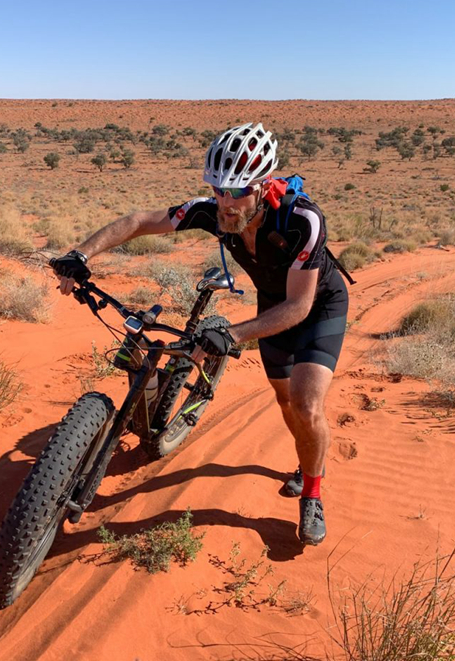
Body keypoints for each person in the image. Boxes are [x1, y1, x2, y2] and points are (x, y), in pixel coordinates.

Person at [51, 123, 349, 546]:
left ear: (263, 186)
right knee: (284, 400)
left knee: (306, 402)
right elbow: (140, 221)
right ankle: (305, 456)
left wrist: (232, 334)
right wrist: (81, 253)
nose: (226, 203)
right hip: (273, 304)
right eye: (218, 190)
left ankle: (313, 491)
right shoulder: (212, 210)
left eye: (238, 192)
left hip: (316, 305)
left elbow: (299, 306)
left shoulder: (302, 220)